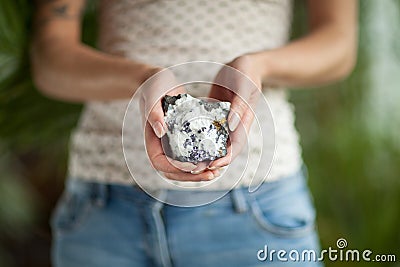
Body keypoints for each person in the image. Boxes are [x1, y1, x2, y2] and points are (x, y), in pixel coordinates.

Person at [31, 0, 357, 266]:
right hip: (105, 209)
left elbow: (339, 44)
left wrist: (260, 66)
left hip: (255, 206)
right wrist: (141, 79)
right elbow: (50, 60)